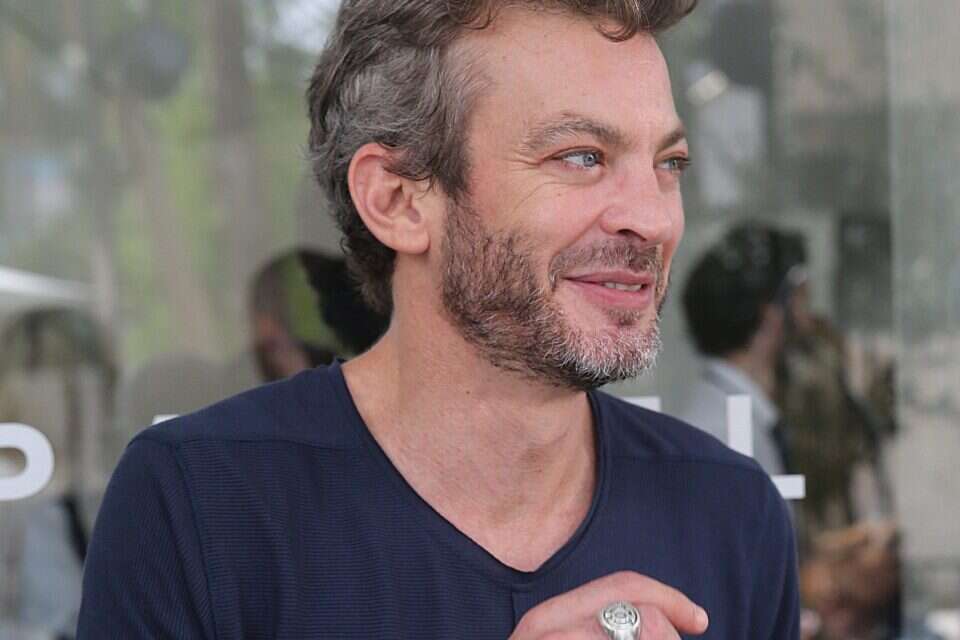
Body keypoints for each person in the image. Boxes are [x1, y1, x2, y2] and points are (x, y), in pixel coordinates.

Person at [77, 1, 800, 638]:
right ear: (396, 200)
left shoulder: (730, 515)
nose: (653, 219)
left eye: (669, 164)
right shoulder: (201, 504)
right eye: (582, 157)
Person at [677, 223, 807, 477]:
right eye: (800, 299)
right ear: (770, 316)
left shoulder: (734, 419)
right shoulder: (722, 433)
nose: (808, 321)